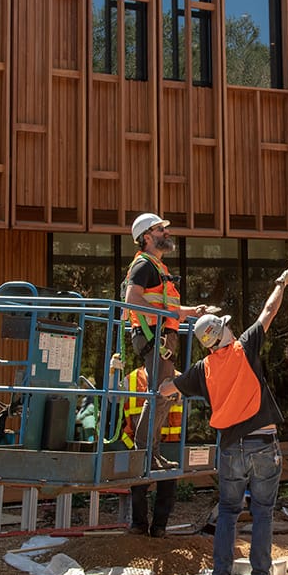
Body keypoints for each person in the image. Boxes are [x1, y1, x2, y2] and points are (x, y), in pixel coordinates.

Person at [161, 265, 288, 575]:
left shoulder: (201, 370)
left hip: (230, 448)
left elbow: (167, 389)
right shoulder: (245, 348)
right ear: (223, 335)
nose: (231, 328)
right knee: (263, 511)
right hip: (264, 443)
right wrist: (281, 281)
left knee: (228, 512)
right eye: (226, 327)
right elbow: (269, 310)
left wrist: (160, 371)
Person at [120, 211, 207, 536]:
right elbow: (133, 300)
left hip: (162, 334)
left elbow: (166, 306)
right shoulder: (143, 264)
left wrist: (193, 312)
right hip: (152, 335)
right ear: (146, 236)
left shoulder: (157, 268)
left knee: (167, 390)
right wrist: (165, 317)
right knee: (163, 390)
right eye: (159, 229)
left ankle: (150, 453)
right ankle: (148, 453)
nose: (165, 233)